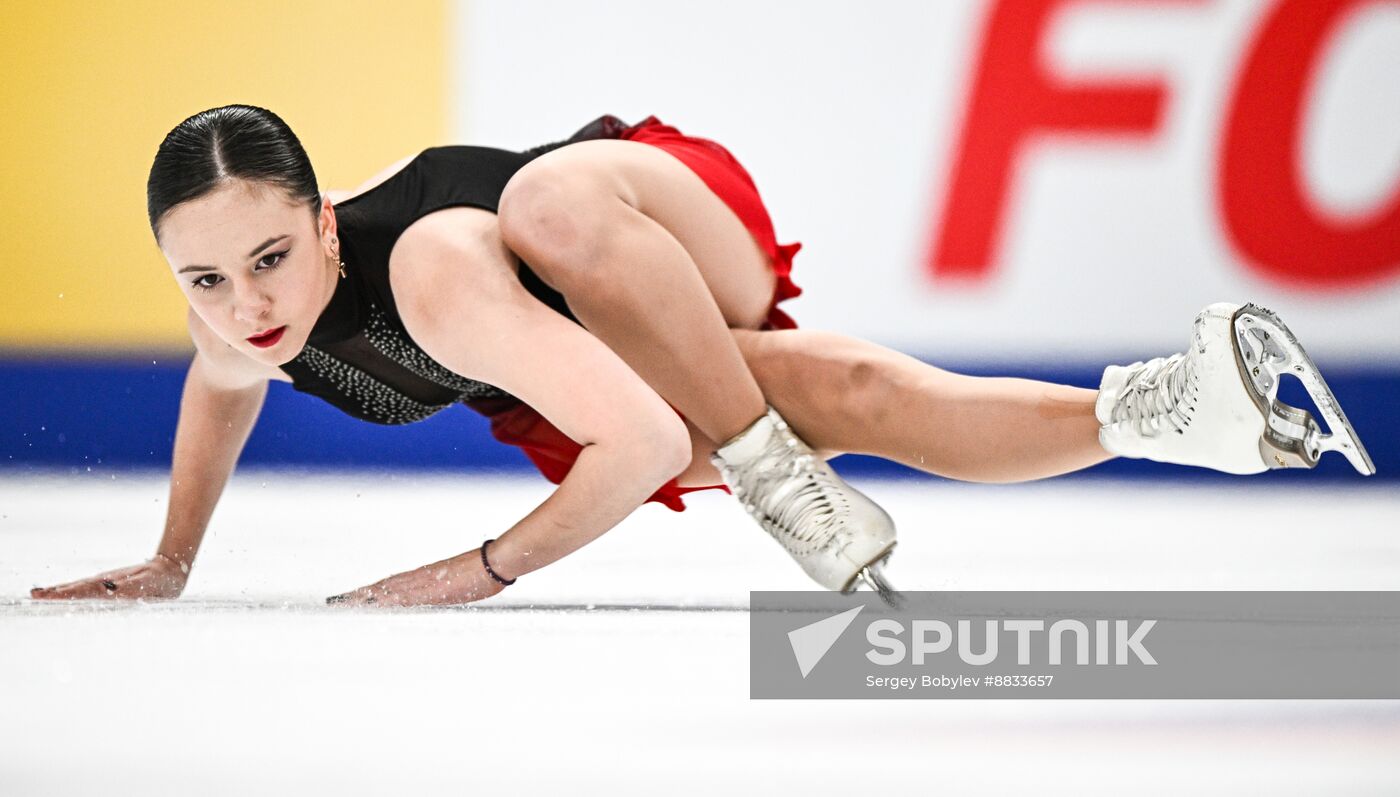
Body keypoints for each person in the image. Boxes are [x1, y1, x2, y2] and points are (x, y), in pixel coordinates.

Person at [28, 105, 1374, 608]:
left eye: (270, 259)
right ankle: (1187, 407)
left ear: (323, 223)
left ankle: (782, 481)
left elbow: (649, 445)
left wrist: (476, 570)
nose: (247, 305)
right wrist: (172, 556)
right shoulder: (235, 324)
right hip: (588, 373)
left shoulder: (428, 269)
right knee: (849, 394)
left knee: (550, 205)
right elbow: (220, 392)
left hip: (643, 228)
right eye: (204, 278)